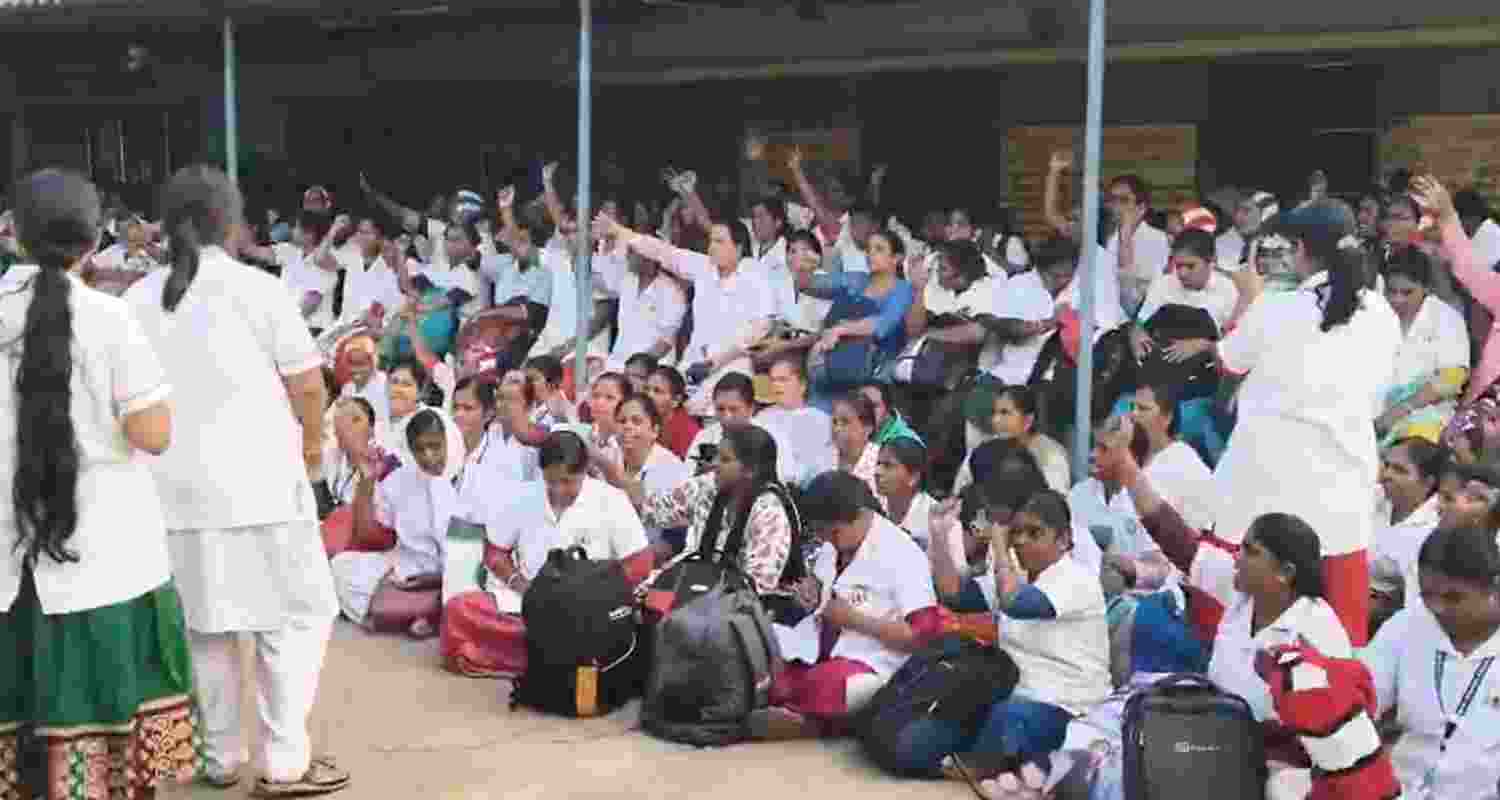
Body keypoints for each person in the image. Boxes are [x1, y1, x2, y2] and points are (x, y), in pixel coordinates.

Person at [125, 165, 349, 796]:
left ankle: (220, 758)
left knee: (207, 627)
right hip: (263, 486)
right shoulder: (260, 290)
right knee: (296, 617)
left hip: (173, 496)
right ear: (230, 222)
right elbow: (308, 386)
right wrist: (310, 450)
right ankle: (284, 760)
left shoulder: (136, 300)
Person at [0, 169, 195, 799]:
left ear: (12, 235)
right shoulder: (111, 319)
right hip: (105, 555)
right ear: (91, 242)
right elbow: (153, 432)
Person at [1212, 201, 1403, 645]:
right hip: (1343, 494)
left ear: (1300, 250)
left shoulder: (1275, 308)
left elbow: (1226, 363)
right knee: (1342, 645)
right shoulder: (1382, 313)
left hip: (1269, 496)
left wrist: (1247, 295)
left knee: (1260, 639)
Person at [902, 491, 1112, 776]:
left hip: (1065, 707)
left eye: (1034, 533)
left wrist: (1000, 549)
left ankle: (992, 765)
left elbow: (1017, 604)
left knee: (1008, 719)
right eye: (1017, 533)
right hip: (1006, 695)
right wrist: (939, 535)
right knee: (913, 747)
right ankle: (996, 762)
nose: (1021, 541)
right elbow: (951, 593)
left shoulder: (1077, 578)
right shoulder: (1016, 577)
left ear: (1063, 540)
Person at [752, 471, 941, 739]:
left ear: (861, 514)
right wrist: (812, 599)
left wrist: (854, 620)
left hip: (873, 664)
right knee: (762, 647)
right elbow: (825, 603)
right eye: (821, 533)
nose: (828, 539)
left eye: (833, 532)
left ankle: (805, 720)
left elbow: (923, 636)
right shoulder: (834, 546)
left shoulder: (903, 555)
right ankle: (801, 714)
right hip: (818, 651)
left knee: (830, 682)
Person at [1362, 526, 1500, 800]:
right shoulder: (1408, 625)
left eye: (1453, 597)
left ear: (1494, 587)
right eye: (1428, 595)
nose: (1437, 608)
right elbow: (1363, 700)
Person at [331, 409, 457, 638]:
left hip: (457, 576)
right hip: (408, 569)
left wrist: (435, 580)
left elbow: (473, 558)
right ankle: (411, 612)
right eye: (420, 449)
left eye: (435, 446)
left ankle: (412, 612)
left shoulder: (469, 480)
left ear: (451, 440)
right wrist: (368, 480)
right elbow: (367, 537)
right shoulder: (402, 479)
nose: (429, 456)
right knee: (341, 566)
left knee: (464, 594)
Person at [1377, 245, 1468, 446]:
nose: (1397, 299)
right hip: (1374, 410)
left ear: (1426, 287)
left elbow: (1453, 378)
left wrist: (1402, 409)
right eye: (1391, 291)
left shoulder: (1445, 318)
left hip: (1425, 415)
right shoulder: (1374, 312)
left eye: (1407, 292)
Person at [1370, 437, 1445, 627]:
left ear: (1428, 482)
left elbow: (1414, 605)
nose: (1387, 474)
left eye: (1400, 470)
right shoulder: (1374, 497)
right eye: (1386, 465)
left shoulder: (1430, 530)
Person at [955, 385, 1070, 495]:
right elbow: (960, 490)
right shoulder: (985, 450)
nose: (996, 420)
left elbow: (1055, 503)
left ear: (1028, 420)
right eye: (994, 413)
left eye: (1005, 413)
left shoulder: (1051, 455)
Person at [875, 437, 937, 549]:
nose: (877, 471)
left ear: (913, 477)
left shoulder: (934, 520)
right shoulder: (872, 506)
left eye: (888, 466)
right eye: (878, 463)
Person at [830, 391, 882, 499]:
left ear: (867, 428)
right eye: (834, 422)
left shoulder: (882, 462)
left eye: (845, 422)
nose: (837, 429)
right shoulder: (823, 456)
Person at [645, 365, 701, 460]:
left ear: (676, 400)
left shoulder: (688, 432)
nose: (649, 395)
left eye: (657, 391)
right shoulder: (644, 420)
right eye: (646, 389)